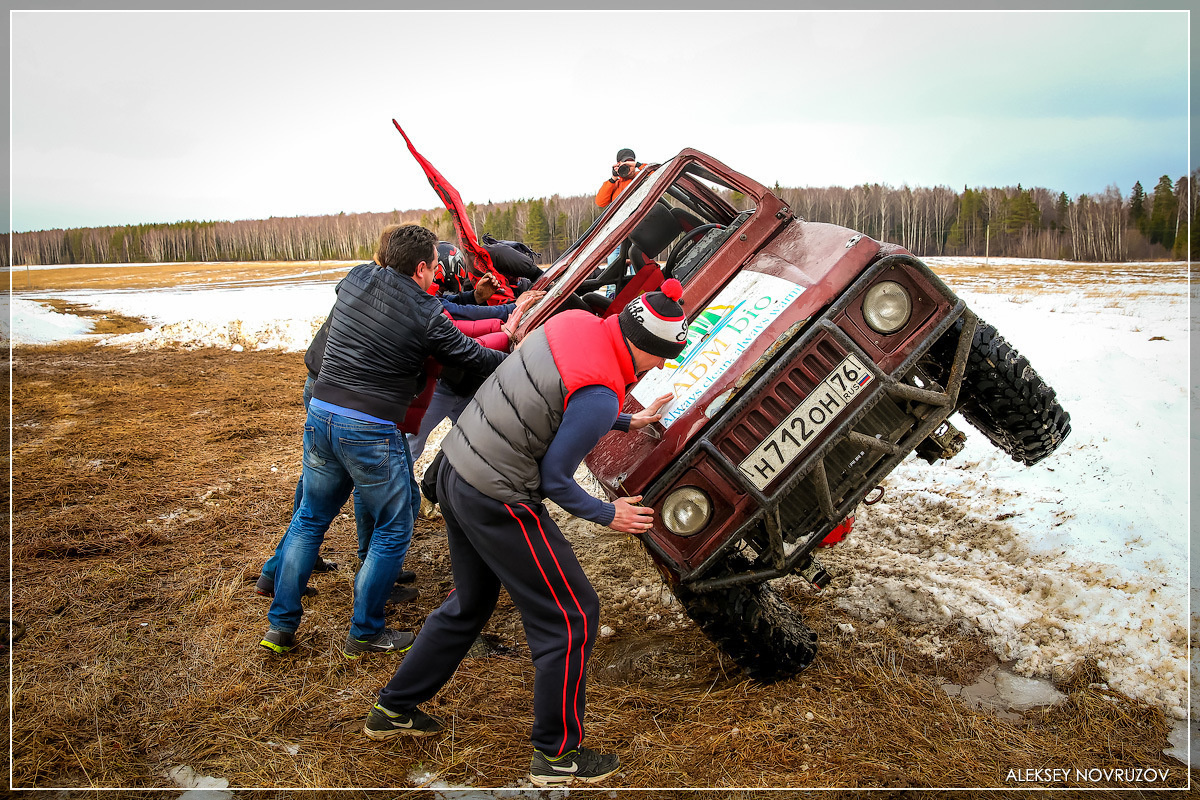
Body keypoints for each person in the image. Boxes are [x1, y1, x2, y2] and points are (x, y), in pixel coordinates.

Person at [359, 279, 690, 787]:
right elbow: (557, 479)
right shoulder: (600, 391)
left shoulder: (574, 324)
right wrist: (609, 514)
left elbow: (548, 395)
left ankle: (393, 710)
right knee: (572, 615)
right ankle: (557, 757)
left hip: (457, 467)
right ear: (643, 345)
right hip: (497, 493)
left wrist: (627, 420)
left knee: (469, 603)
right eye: (662, 356)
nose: (662, 366)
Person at [259, 224, 510, 659]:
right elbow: (471, 356)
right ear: (420, 268)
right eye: (434, 267)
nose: (436, 275)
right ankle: (365, 631)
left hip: (322, 413)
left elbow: (389, 296)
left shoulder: (356, 277)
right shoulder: (426, 314)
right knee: (395, 524)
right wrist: (518, 358)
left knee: (310, 518)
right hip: (371, 428)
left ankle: (280, 626)